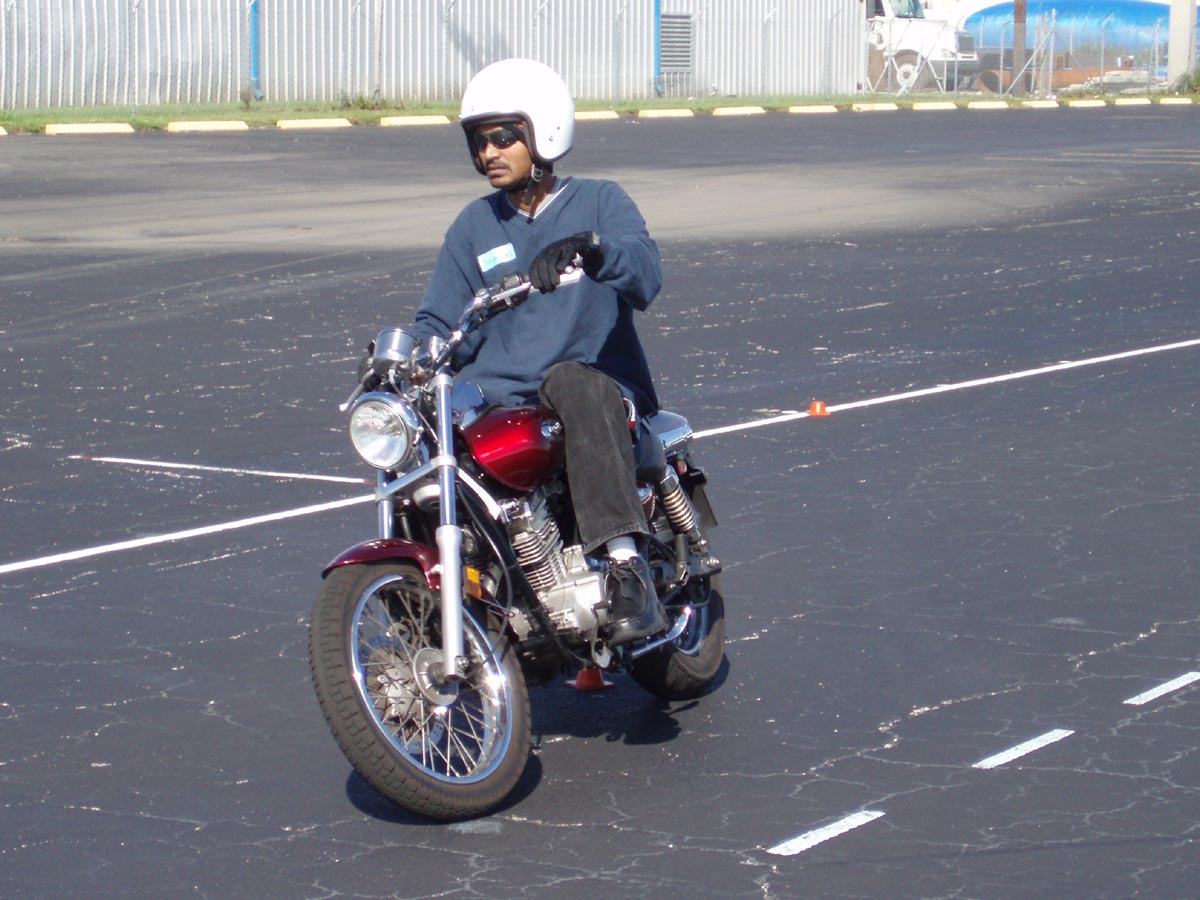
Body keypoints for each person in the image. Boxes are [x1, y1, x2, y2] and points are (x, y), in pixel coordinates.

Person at [410, 57, 664, 646]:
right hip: (500, 395)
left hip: (592, 383)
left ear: (543, 132)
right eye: (479, 141)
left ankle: (625, 565)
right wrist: (408, 361)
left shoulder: (599, 201)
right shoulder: (473, 226)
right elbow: (438, 320)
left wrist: (594, 250)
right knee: (423, 424)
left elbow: (646, 275)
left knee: (573, 381)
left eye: (503, 137)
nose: (489, 153)